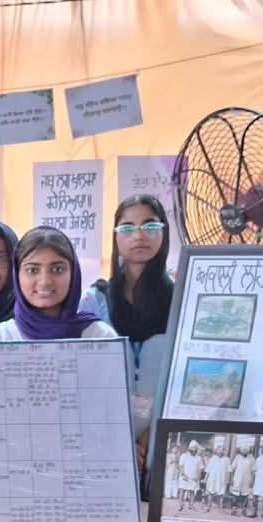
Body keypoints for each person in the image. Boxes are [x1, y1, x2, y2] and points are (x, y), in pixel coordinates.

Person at [81, 196, 175, 471]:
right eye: (127, 227)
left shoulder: (181, 299)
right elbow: (85, 377)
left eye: (150, 226)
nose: (139, 236)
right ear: (115, 236)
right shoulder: (94, 300)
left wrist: (152, 436)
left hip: (163, 438)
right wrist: (120, 439)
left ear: (164, 232)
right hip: (104, 435)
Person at [0, 227, 117, 341]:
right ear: (17, 275)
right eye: (32, 270)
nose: (45, 281)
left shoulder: (100, 337)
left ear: (73, 274)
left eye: (57, 269)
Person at [229, 443, 255, 516]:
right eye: (243, 450)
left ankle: (243, 510)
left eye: (246, 450)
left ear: (248, 451)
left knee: (245, 495)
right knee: (235, 495)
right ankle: (234, 510)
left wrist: (252, 480)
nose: (244, 451)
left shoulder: (252, 459)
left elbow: (253, 471)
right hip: (237, 479)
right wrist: (231, 479)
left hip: (247, 480)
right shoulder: (237, 458)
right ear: (241, 451)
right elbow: (232, 469)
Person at [203, 444, 229, 512]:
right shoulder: (213, 459)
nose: (220, 451)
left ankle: (220, 508)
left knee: (221, 494)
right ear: (216, 451)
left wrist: (228, 480)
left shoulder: (226, 460)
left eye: (222, 450)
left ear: (224, 451)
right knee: (210, 492)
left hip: (222, 479)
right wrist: (205, 479)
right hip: (212, 478)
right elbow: (208, 470)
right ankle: (208, 507)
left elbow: (228, 471)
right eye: (219, 449)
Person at [177, 441, 201, 511]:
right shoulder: (184, 456)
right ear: (189, 448)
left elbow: (200, 468)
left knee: (192, 492)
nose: (194, 449)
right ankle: (181, 505)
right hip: (184, 477)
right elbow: (181, 466)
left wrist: (198, 477)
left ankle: (191, 505)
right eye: (193, 448)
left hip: (194, 477)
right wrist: (183, 475)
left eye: (195, 448)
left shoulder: (199, 458)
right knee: (182, 491)